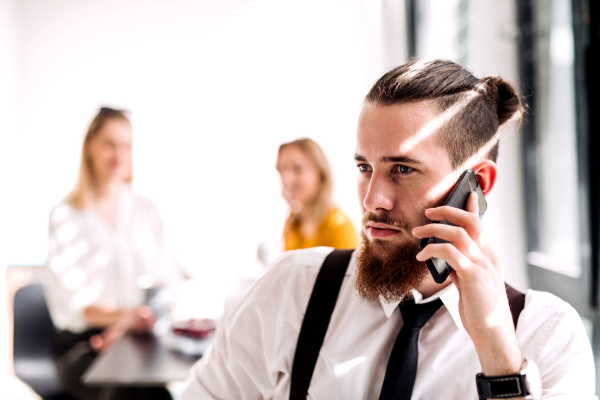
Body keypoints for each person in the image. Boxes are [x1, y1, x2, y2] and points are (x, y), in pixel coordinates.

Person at [180, 59, 595, 399]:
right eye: (365, 168)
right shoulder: (293, 288)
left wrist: (497, 351)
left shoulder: (547, 336)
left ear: (478, 184)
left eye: (402, 169)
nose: (372, 200)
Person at [45, 107, 180, 400]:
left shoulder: (146, 210)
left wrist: (136, 324)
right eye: (109, 143)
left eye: (126, 145)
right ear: (90, 147)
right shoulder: (65, 217)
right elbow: (75, 304)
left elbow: (168, 283)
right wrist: (123, 319)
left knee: (162, 393)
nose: (118, 154)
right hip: (87, 344)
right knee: (123, 390)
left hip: (139, 340)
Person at [276, 138, 358, 251]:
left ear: (320, 174)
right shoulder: (292, 224)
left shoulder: (339, 227)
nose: (286, 179)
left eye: (297, 169)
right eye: (281, 169)